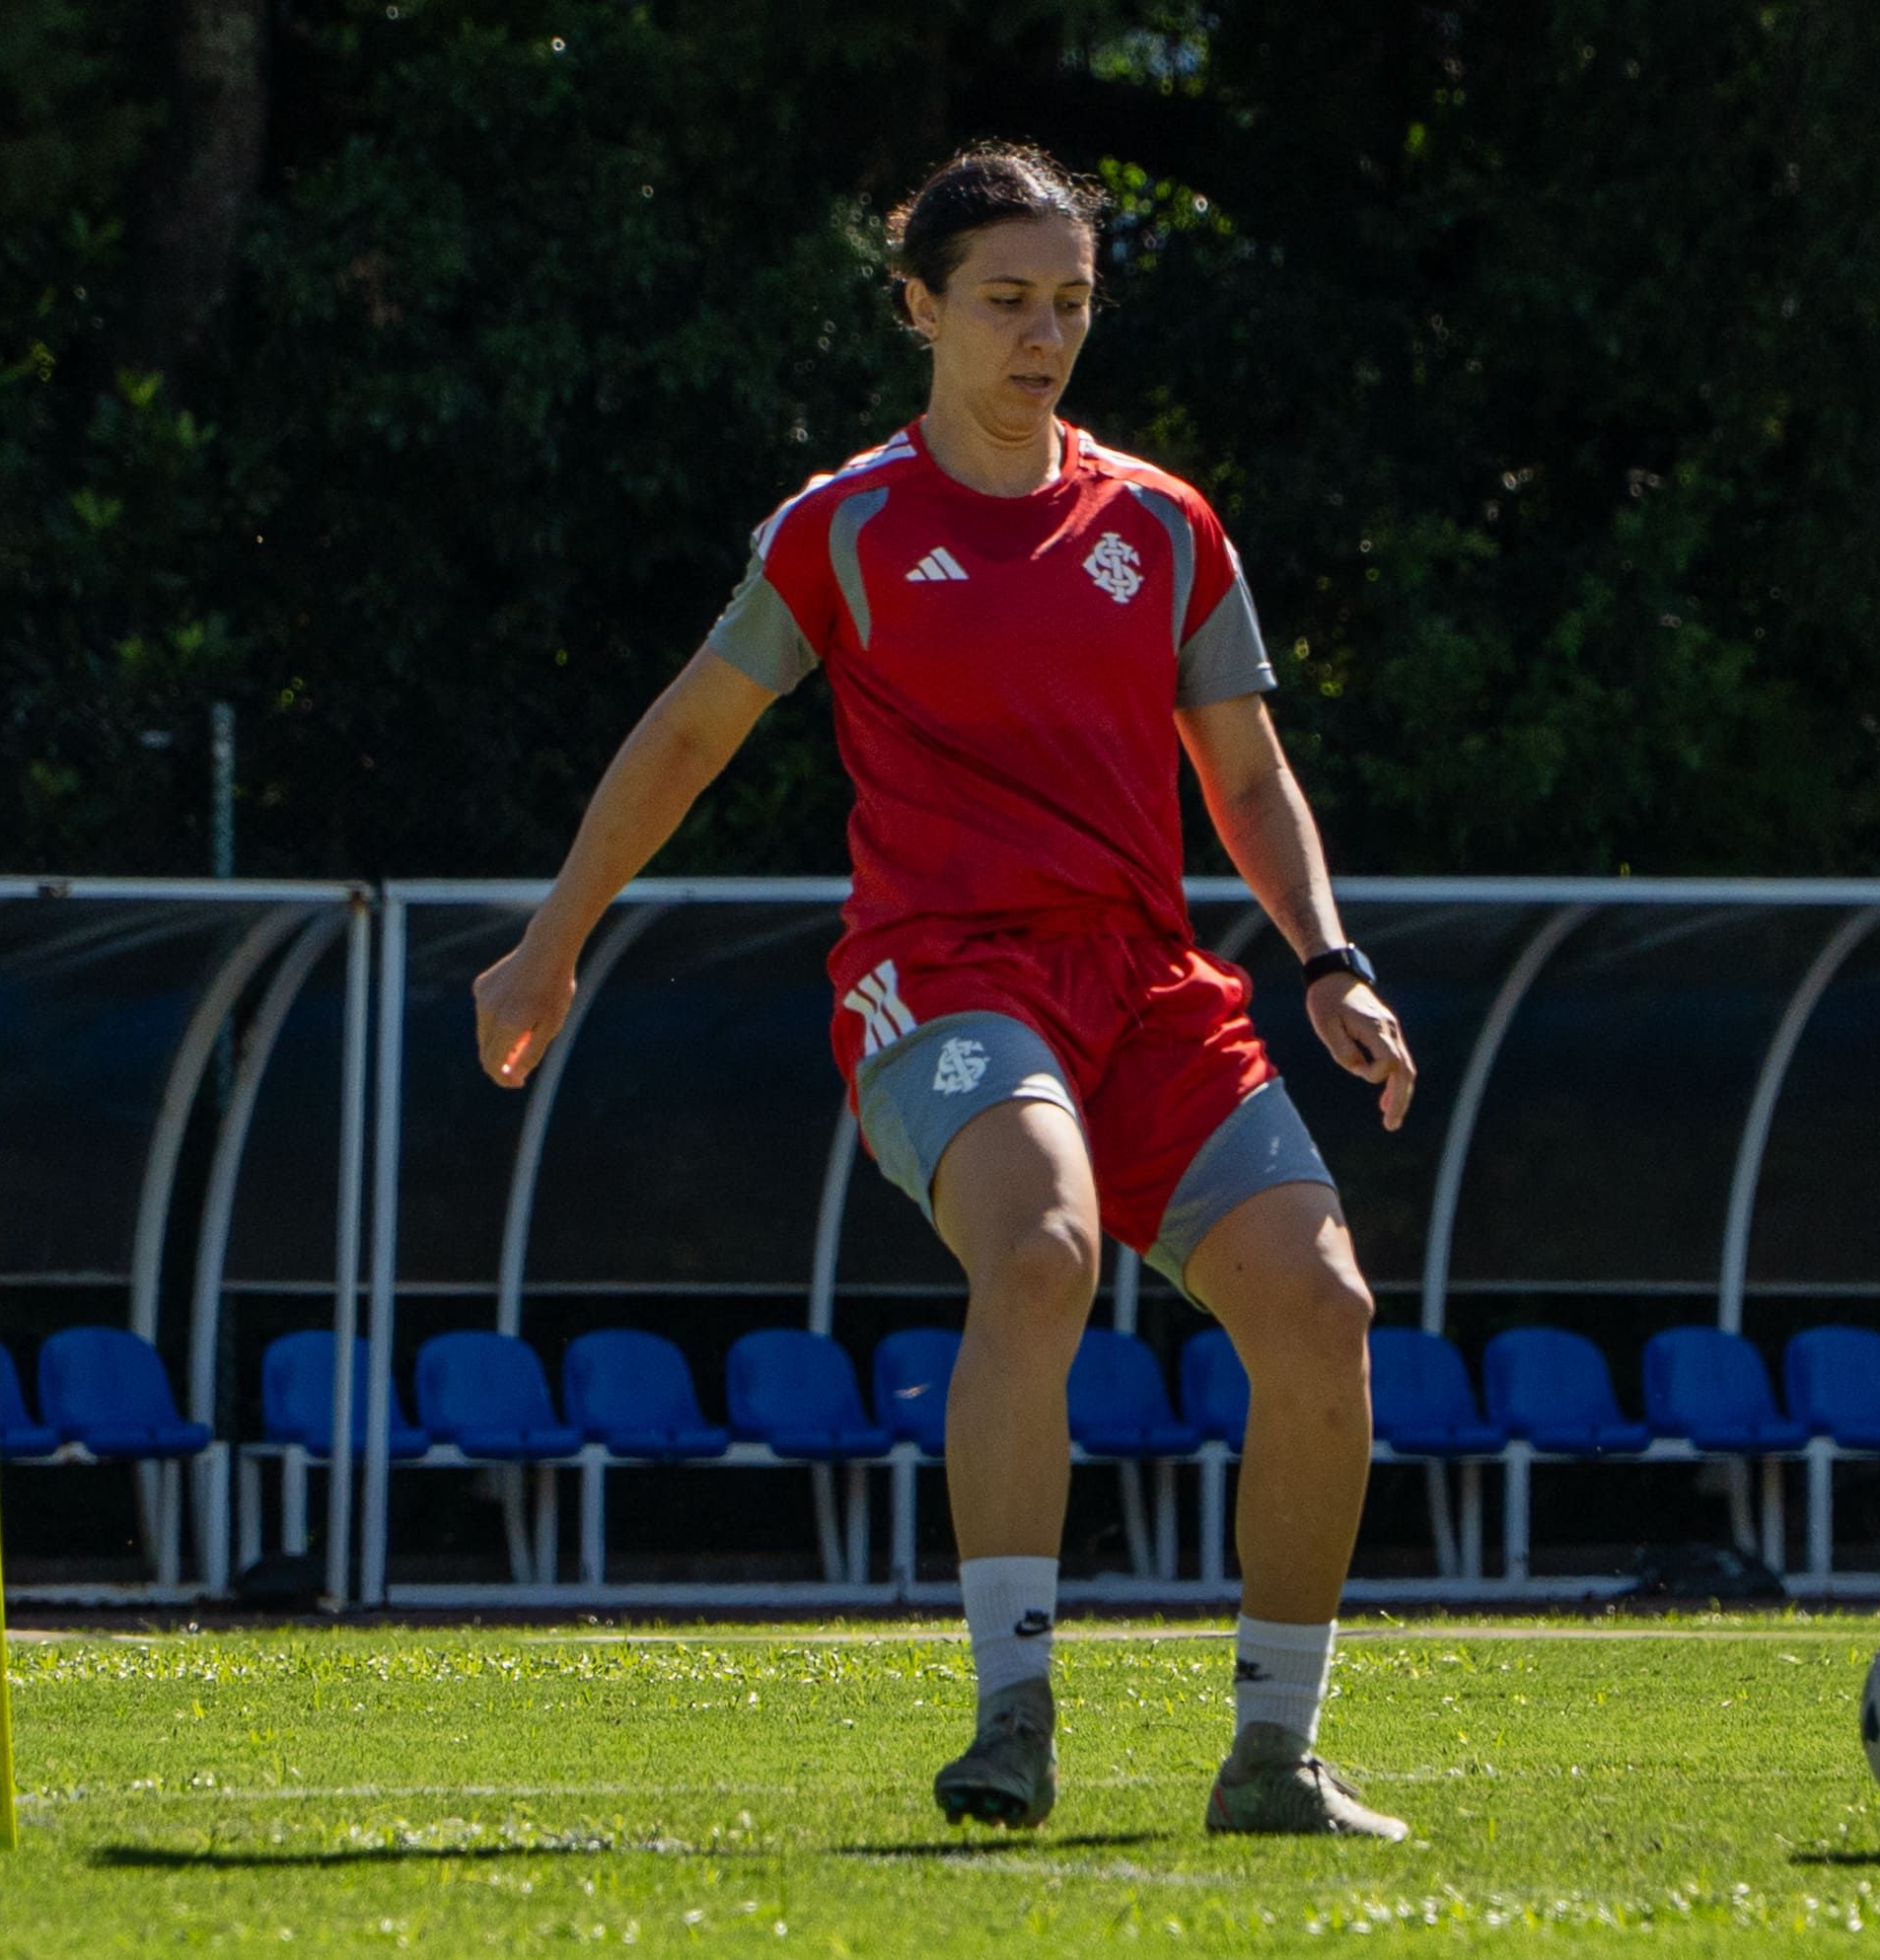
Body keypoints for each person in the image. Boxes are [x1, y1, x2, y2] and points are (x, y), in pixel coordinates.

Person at [471, 143, 1416, 1840]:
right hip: (944, 977)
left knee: (1323, 1310)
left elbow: (1250, 779)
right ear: (917, 306)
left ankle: (1274, 1757)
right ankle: (1013, 1719)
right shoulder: (842, 530)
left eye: (1068, 303)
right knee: (1042, 1246)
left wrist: (1327, 959)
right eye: (1004, 300)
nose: (1042, 333)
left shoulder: (1163, 524)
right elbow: (687, 735)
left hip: (1147, 986)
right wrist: (552, 939)